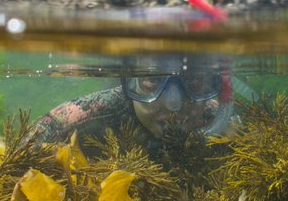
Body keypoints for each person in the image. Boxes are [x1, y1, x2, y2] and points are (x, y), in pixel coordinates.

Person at [32, 55, 236, 148]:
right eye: (152, 80)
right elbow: (36, 138)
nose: (173, 104)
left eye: (192, 80)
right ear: (131, 83)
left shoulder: (216, 119)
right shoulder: (90, 113)